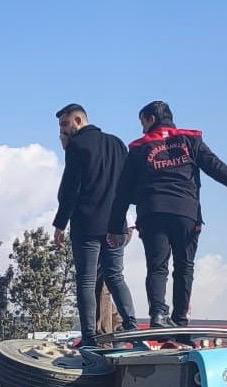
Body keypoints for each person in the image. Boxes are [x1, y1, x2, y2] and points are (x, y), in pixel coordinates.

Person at [106, 100, 227, 330]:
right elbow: (217, 168)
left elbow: (122, 191)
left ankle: (158, 315)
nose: (142, 130)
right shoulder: (191, 141)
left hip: (152, 213)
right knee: (184, 266)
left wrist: (114, 227)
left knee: (157, 266)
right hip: (185, 212)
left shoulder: (139, 148)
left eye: (142, 123)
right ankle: (180, 320)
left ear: (151, 119)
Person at [53, 103, 137, 346]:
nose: (62, 130)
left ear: (78, 120)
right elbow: (128, 183)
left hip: (86, 223)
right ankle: (131, 324)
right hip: (115, 223)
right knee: (115, 276)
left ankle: (89, 335)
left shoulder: (77, 146)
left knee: (86, 281)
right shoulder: (117, 143)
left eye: (65, 124)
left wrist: (60, 224)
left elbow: (71, 189)